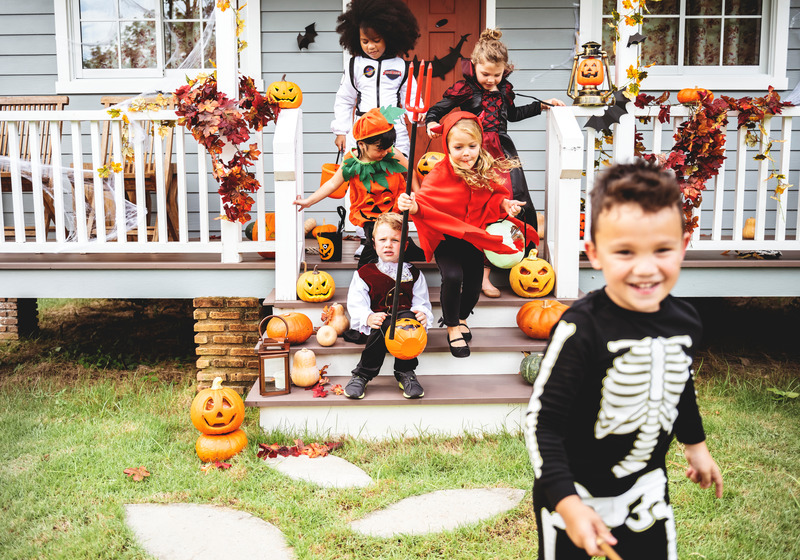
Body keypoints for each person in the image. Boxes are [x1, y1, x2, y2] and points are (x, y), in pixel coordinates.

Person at [523, 160, 723, 560]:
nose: (646, 268)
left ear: (683, 246)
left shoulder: (685, 321)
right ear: (595, 253)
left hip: (646, 489)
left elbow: (679, 383)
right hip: (573, 494)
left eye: (662, 250)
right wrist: (567, 502)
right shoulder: (580, 328)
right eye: (625, 252)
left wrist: (695, 444)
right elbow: (542, 423)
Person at [425, 28, 565, 298]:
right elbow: (439, 109)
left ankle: (519, 259)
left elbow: (511, 114)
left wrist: (541, 106)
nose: (491, 80)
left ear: (505, 71)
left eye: (497, 75)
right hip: (476, 154)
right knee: (482, 207)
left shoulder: (504, 89)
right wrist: (433, 122)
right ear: (475, 66)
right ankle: (482, 275)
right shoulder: (465, 89)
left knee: (512, 202)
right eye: (485, 74)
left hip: (502, 151)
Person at [398, 111, 537, 358]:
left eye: (472, 146)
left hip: (472, 236)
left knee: (473, 286)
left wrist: (505, 205)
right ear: (447, 147)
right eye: (458, 147)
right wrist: (412, 205)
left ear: (479, 144)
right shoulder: (438, 175)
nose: (466, 153)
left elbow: (494, 197)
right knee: (452, 276)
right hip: (445, 237)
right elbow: (425, 203)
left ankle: (461, 316)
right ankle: (452, 326)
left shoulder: (483, 170)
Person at [294, 107, 424, 267]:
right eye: (379, 148)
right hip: (369, 212)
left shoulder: (392, 153)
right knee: (374, 241)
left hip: (393, 207)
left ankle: (401, 254)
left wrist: (418, 194)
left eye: (387, 147)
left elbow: (409, 171)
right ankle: (365, 271)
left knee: (394, 235)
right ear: (362, 145)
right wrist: (309, 201)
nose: (384, 152)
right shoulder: (351, 161)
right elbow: (333, 183)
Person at [344, 212, 434, 399]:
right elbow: (356, 303)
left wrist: (422, 313)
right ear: (374, 243)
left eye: (395, 240)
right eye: (382, 239)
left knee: (407, 320)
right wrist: (367, 317)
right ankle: (362, 374)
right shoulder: (364, 274)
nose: (388, 244)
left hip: (405, 328)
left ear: (405, 245)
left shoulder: (414, 274)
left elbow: (421, 301)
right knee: (383, 324)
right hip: (376, 327)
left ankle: (405, 371)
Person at [332, 0, 421, 157]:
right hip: (362, 130)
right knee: (360, 177)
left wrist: (420, 116)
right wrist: (341, 131)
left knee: (397, 177)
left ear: (389, 37)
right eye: (364, 41)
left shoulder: (402, 66)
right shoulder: (354, 65)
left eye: (376, 40)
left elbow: (412, 99)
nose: (370, 46)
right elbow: (345, 99)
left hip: (394, 129)